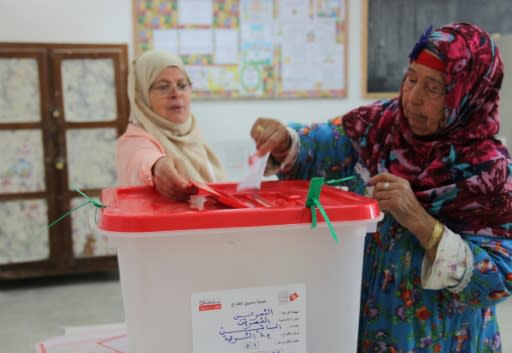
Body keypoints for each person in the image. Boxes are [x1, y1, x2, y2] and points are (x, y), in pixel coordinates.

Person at [251, 23, 512, 352]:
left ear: (467, 96)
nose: (413, 98)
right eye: (412, 78)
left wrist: (421, 223)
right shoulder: (379, 127)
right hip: (366, 330)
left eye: (434, 88)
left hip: (443, 339)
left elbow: (497, 280)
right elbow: (318, 149)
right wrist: (285, 141)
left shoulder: (490, 172)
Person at [116, 50, 226, 200]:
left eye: (182, 85)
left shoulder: (192, 134)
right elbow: (143, 159)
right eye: (163, 87)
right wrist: (158, 167)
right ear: (141, 95)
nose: (176, 93)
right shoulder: (134, 141)